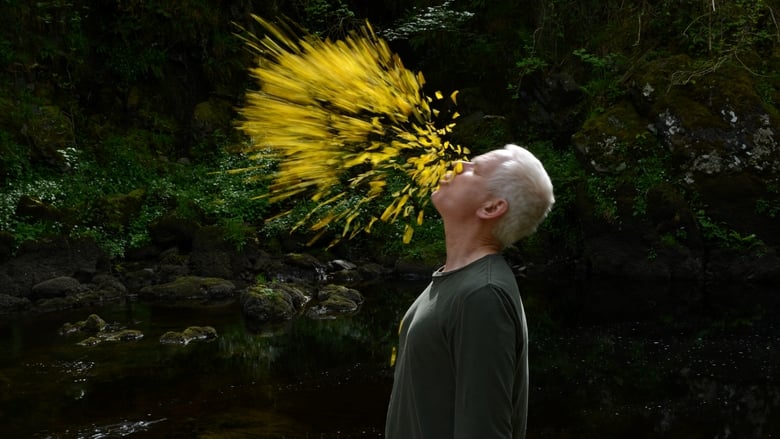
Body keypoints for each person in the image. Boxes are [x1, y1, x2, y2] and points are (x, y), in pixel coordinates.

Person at [384, 144, 555, 439]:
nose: (460, 164)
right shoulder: (459, 280)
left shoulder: (483, 296)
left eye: (476, 168)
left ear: (491, 208)